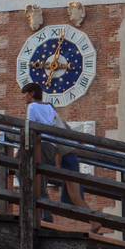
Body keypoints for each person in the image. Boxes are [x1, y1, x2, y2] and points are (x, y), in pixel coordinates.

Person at [22, 81, 101, 233]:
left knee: (67, 193)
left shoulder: (32, 107)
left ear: (31, 94)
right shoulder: (50, 107)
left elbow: (32, 128)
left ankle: (42, 216)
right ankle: (94, 221)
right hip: (68, 153)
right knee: (72, 197)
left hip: (58, 152)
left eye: (25, 94)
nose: (24, 98)